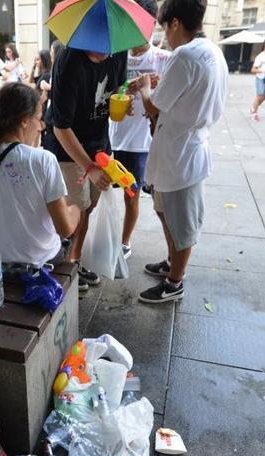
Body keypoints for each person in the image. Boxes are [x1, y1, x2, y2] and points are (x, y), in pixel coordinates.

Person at [136, 0, 227, 303]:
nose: (165, 36)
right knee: (167, 213)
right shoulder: (212, 51)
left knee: (181, 222)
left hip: (180, 152)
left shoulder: (185, 55)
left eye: (164, 27)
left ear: (175, 23)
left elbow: (152, 106)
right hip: (185, 146)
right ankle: (172, 262)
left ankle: (175, 282)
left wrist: (145, 85)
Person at [0, 83, 80, 269]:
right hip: (41, 263)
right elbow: (64, 229)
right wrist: (76, 210)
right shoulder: (43, 160)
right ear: (24, 121)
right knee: (72, 229)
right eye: (39, 118)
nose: (41, 126)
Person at [47, 31, 127, 291]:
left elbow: (115, 93)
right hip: (68, 149)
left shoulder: (119, 48)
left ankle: (75, 262)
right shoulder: (69, 60)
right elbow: (61, 127)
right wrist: (89, 167)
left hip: (99, 146)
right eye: (97, 42)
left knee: (88, 207)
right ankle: (59, 269)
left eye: (109, 44)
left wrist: (124, 101)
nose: (104, 51)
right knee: (69, 212)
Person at [109, 0, 167, 261]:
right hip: (110, 138)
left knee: (131, 195)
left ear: (152, 23)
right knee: (101, 195)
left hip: (140, 144)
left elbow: (168, 102)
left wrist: (153, 88)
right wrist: (123, 89)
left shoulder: (162, 59)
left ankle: (124, 242)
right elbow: (107, 92)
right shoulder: (116, 57)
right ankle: (103, 237)